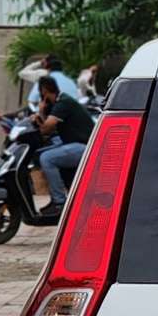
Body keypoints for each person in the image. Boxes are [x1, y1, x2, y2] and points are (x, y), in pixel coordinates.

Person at [34, 74, 95, 217]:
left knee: (47, 158)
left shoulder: (63, 103)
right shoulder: (60, 101)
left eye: (41, 92)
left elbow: (46, 128)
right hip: (79, 144)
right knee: (45, 152)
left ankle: (59, 202)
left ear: (44, 90)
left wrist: (41, 111)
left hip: (84, 147)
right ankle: (58, 196)